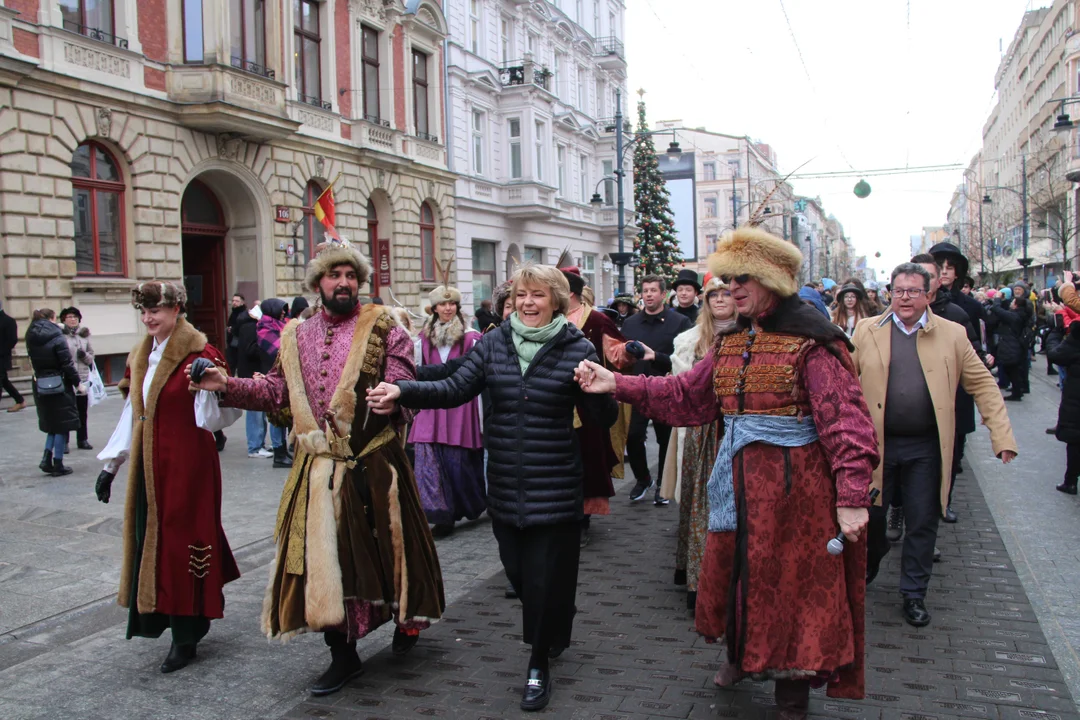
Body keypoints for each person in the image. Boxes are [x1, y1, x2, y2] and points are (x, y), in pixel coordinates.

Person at [575, 227, 879, 719]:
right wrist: (617, 382)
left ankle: (791, 693)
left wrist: (851, 495)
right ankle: (741, 654)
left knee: (790, 588)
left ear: (773, 281)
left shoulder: (815, 343)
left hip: (795, 492)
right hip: (735, 482)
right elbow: (686, 396)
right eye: (729, 278)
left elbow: (848, 424)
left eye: (744, 279)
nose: (733, 287)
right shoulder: (731, 342)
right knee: (739, 574)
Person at [188, 239, 445, 696]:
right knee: (324, 565)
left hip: (375, 466)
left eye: (350, 276)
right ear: (317, 283)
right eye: (334, 275)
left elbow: (405, 380)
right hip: (316, 469)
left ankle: (406, 622)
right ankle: (342, 654)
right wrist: (225, 384)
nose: (343, 283)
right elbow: (273, 392)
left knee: (392, 554)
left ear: (359, 282)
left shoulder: (386, 327)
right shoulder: (295, 335)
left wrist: (394, 397)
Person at [367, 264, 618, 712]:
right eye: (521, 295)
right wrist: (402, 391)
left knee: (542, 581)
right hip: (505, 482)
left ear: (556, 301)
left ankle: (538, 662)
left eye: (538, 295)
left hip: (556, 482)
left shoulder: (576, 347)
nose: (527, 303)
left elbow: (602, 421)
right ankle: (555, 617)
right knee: (521, 575)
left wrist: (597, 392)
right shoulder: (496, 343)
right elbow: (454, 387)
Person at [855, 263, 1017, 628]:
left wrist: (1001, 435)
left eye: (913, 291)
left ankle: (914, 593)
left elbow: (983, 385)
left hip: (927, 447)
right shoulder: (867, 330)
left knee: (923, 521)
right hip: (877, 446)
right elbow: (842, 380)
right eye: (899, 291)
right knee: (872, 518)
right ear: (889, 293)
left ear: (929, 294)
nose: (905, 298)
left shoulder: (953, 334)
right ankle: (871, 560)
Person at [93, 281, 242, 673]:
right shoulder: (140, 354)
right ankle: (164, 616)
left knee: (183, 541)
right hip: (150, 467)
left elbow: (221, 418)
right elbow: (132, 414)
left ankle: (187, 634)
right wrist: (111, 467)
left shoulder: (201, 352)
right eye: (143, 312)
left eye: (155, 311)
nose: (148, 319)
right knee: (152, 539)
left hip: (189, 466)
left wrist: (207, 386)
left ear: (177, 309)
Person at [659, 277, 737, 611]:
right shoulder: (690, 340)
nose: (720, 300)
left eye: (727, 293)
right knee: (701, 503)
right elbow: (681, 387)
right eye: (714, 295)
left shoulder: (755, 333)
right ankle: (699, 579)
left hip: (739, 430)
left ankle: (732, 580)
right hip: (702, 432)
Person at [562, 267, 633, 547]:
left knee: (587, 461)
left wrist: (628, 351)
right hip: (553, 405)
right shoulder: (546, 319)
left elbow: (617, 353)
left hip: (587, 406)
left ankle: (583, 519)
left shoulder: (596, 319)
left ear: (568, 293)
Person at [412, 284, 485, 537]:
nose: (447, 308)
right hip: (429, 406)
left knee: (458, 463)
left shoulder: (470, 337)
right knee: (426, 459)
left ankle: (465, 505)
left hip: (460, 406)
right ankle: (440, 514)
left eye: (452, 304)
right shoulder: (421, 340)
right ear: (434, 308)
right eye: (443, 304)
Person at [619, 275, 693, 505]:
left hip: (666, 389)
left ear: (663, 294)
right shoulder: (631, 323)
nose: (649, 294)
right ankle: (643, 479)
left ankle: (663, 483)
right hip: (637, 389)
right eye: (645, 290)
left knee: (664, 439)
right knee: (633, 437)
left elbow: (685, 359)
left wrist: (657, 357)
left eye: (653, 290)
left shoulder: (679, 322)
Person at [26, 308, 81, 476]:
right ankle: (58, 463)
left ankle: (46, 458)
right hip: (59, 383)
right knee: (61, 424)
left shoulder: (30, 334)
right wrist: (78, 383)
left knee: (51, 424)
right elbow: (66, 362)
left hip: (40, 382)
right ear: (52, 318)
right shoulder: (56, 335)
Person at [255, 299, 293, 468]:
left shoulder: (280, 325)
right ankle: (278, 452)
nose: (284, 313)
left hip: (283, 375)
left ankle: (283, 450)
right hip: (271, 374)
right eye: (281, 310)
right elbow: (278, 350)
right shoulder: (265, 327)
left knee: (283, 414)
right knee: (275, 415)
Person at [233, 302, 271, 458]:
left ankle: (259, 444)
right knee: (254, 412)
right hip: (251, 374)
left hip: (254, 373)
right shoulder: (251, 327)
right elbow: (250, 350)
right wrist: (266, 345)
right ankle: (254, 447)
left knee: (259, 411)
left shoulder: (251, 325)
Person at [1049, 318, 1080, 494]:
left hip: (1076, 399)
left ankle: (1071, 481)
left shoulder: (1076, 337)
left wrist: (1056, 332)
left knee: (1075, 441)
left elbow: (1055, 354)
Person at [59, 306, 95, 450]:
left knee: (82, 411)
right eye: (69, 317)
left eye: (75, 317)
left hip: (83, 378)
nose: (73, 320)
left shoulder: (84, 335)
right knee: (66, 411)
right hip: (67, 378)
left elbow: (91, 356)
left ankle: (82, 439)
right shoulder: (61, 336)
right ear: (64, 320)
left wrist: (84, 355)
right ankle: (64, 442)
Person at [988, 294, 1029, 402]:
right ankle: (1017, 389)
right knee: (1011, 369)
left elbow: (998, 310)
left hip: (1011, 346)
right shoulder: (1019, 314)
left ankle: (1017, 391)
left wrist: (997, 298)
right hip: (1011, 345)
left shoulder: (1015, 316)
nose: (1010, 304)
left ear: (1016, 305)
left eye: (1012, 302)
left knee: (1012, 369)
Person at [0, 299, 25, 412]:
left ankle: (20, 401)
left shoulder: (8, 321)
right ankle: (20, 400)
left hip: (2, 358)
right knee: (4, 381)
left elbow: (12, 340)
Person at [225, 293, 247, 371]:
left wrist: (232, 329)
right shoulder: (234, 312)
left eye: (237, 301)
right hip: (232, 342)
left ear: (242, 302)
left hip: (239, 343)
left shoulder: (243, 314)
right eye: (233, 301)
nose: (234, 303)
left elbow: (242, 327)